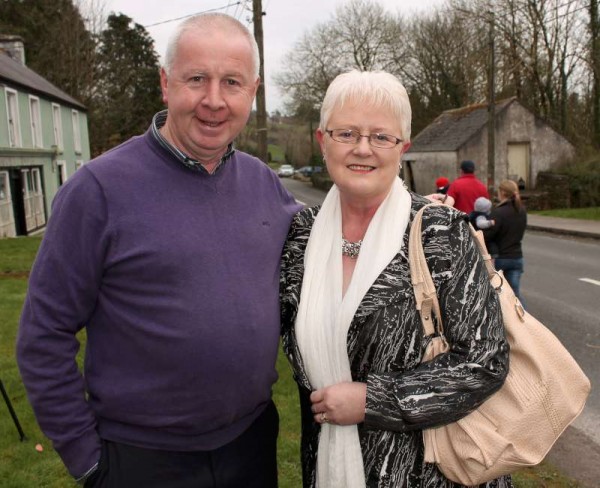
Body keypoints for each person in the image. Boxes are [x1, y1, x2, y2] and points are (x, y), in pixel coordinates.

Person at [16, 13, 301, 488]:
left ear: (252, 92)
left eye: (231, 82)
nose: (213, 100)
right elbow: (43, 334)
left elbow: (337, 242)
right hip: (143, 459)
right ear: (166, 84)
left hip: (250, 445)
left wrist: (415, 217)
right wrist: (89, 460)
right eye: (196, 79)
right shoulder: (98, 191)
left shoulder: (264, 185)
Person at [279, 70, 512, 488]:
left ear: (403, 147)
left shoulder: (440, 231)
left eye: (381, 137)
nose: (363, 149)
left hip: (433, 473)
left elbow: (486, 361)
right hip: (329, 468)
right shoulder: (300, 236)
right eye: (346, 133)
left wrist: (372, 400)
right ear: (322, 140)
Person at [483, 180, 527, 300]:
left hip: (500, 258)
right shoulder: (521, 211)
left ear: (502, 192)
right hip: (517, 257)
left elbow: (488, 235)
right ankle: (523, 317)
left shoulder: (498, 212)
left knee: (497, 296)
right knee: (515, 296)